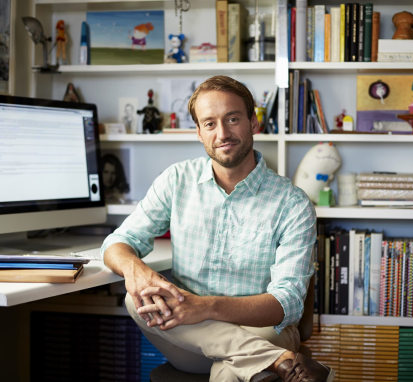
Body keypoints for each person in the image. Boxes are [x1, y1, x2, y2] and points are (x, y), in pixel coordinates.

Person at [101, 75, 334, 382]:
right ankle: (280, 361)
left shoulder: (292, 204)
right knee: (136, 297)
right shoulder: (176, 180)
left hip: (263, 332)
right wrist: (135, 270)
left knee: (228, 373)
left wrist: (206, 307)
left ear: (253, 122)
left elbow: (286, 304)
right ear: (199, 132)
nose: (222, 133)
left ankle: (271, 357)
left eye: (233, 119)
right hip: (192, 338)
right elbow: (119, 242)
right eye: (210, 124)